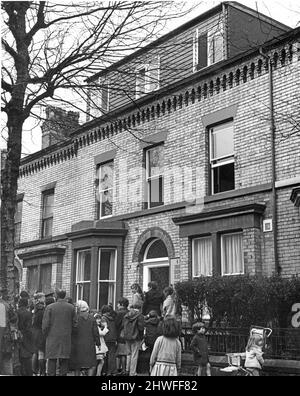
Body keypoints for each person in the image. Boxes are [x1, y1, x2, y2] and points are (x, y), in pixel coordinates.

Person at [42, 289, 77, 376]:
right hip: (66, 337)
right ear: (64, 296)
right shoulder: (71, 307)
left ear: (56, 296)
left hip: (52, 336)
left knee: (52, 359)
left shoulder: (49, 307)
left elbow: (45, 324)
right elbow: (75, 324)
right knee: (64, 359)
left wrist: (45, 334)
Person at [72, 300, 100, 376]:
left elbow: (73, 331)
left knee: (77, 365)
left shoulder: (76, 318)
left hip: (78, 344)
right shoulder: (92, 318)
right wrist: (98, 343)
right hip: (89, 343)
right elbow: (95, 332)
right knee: (91, 364)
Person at [123, 303, 144, 376]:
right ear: (140, 308)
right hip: (136, 337)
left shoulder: (127, 315)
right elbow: (141, 328)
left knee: (128, 354)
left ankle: (127, 370)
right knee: (134, 355)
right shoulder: (140, 316)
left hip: (127, 336)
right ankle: (132, 372)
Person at [17, 298, 34, 376]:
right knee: (27, 358)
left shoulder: (16, 312)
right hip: (26, 337)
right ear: (26, 304)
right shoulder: (28, 313)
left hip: (17, 336)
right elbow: (29, 327)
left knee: (19, 357)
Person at [32, 292, 46, 376]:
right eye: (43, 297)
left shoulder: (35, 308)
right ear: (40, 298)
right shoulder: (42, 310)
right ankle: (42, 371)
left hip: (35, 332)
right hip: (40, 332)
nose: (44, 298)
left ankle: (34, 370)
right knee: (41, 352)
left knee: (36, 352)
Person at [101, 305, 118, 375]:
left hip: (106, 338)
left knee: (105, 356)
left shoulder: (103, 318)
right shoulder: (113, 318)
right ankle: (112, 371)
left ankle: (105, 371)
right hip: (113, 338)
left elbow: (103, 328)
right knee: (112, 356)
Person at [115, 297, 130, 375]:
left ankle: (121, 369)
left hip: (120, 334)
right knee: (125, 353)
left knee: (121, 353)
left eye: (118, 304)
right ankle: (125, 369)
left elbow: (116, 324)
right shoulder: (129, 312)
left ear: (122, 304)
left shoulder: (120, 313)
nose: (117, 305)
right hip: (128, 334)